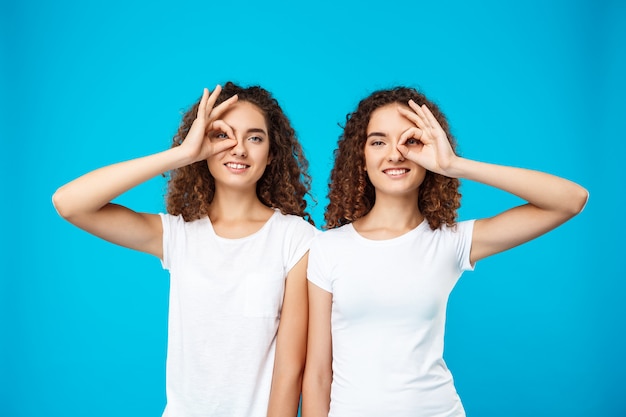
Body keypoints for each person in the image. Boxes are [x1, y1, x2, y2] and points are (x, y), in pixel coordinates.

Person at [302, 86, 588, 417]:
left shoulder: (450, 241)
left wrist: (454, 164)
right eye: (378, 141)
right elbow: (319, 375)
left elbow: (570, 200)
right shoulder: (328, 247)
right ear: (360, 157)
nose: (395, 154)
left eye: (410, 141)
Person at [53, 82, 317, 417]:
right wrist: (182, 154)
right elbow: (69, 203)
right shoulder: (179, 235)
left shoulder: (297, 240)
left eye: (254, 137)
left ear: (271, 153)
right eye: (223, 135)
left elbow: (291, 371)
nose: (239, 149)